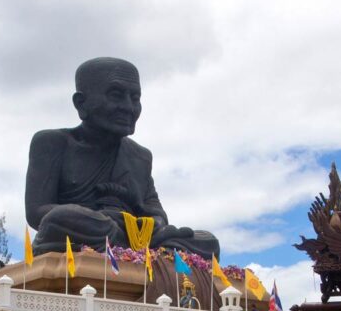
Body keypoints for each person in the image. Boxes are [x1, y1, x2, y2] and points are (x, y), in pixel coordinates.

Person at [25, 57, 220, 259]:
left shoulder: (140, 156)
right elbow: (37, 212)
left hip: (135, 238)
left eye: (135, 98)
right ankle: (122, 244)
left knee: (207, 241)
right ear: (81, 103)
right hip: (83, 232)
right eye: (116, 95)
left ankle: (126, 247)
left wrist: (143, 220)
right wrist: (100, 218)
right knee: (62, 217)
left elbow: (158, 214)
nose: (128, 107)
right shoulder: (52, 142)